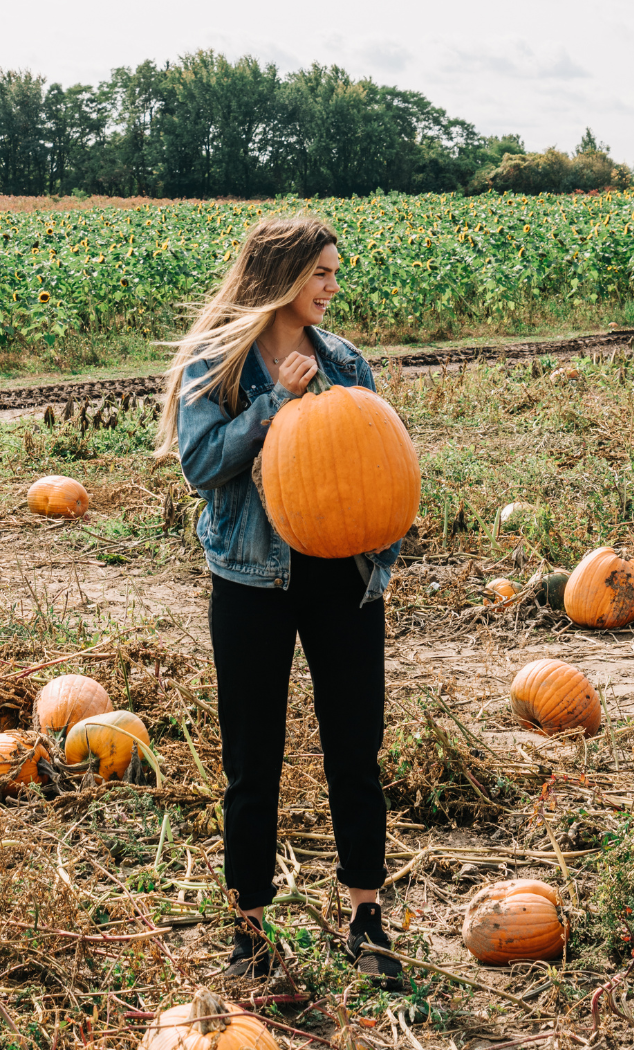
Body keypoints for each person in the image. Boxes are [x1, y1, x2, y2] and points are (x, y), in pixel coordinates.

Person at [157, 216, 406, 986]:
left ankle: (366, 914)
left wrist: (380, 553)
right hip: (252, 583)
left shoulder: (347, 362)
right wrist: (271, 409)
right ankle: (248, 929)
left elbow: (380, 470)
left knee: (354, 751)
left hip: (343, 581)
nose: (334, 287)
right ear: (284, 276)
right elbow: (201, 465)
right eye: (322, 274)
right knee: (251, 760)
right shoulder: (218, 365)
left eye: (335, 273)